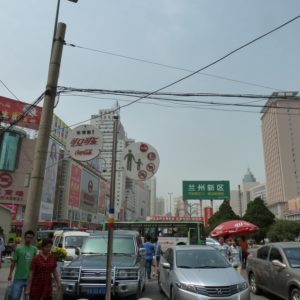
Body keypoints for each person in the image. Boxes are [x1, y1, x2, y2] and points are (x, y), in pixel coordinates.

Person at [8, 230, 37, 300]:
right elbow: (13, 262)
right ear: (24, 237)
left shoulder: (34, 249)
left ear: (32, 238)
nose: (29, 239)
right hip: (19, 277)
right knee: (15, 297)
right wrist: (10, 274)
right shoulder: (18, 249)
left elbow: (35, 264)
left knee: (28, 298)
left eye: (30, 238)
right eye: (27, 237)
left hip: (29, 278)